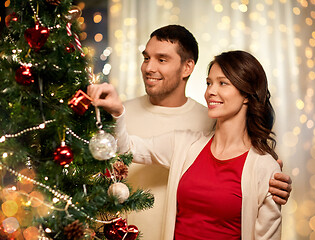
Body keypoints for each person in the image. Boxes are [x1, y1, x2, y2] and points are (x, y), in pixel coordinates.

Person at [88, 25, 291, 239]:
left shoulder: (262, 166)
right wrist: (119, 112)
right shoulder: (185, 144)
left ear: (247, 95)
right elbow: (127, 148)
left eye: (223, 83)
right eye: (209, 83)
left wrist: (272, 177)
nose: (211, 91)